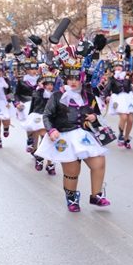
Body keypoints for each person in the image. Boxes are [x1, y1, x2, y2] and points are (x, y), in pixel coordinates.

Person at [37, 50, 110, 212]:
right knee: (72, 172)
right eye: (70, 78)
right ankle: (71, 199)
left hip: (85, 136)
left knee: (99, 162)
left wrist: (93, 117)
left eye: (77, 78)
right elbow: (47, 116)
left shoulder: (89, 95)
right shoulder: (57, 96)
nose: (73, 82)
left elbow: (97, 115)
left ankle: (96, 195)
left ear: (83, 78)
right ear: (65, 78)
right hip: (64, 136)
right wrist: (51, 131)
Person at [21, 64, 58, 174]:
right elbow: (37, 100)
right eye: (48, 84)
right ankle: (40, 158)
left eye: (52, 84)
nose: (50, 87)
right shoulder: (39, 92)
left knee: (52, 141)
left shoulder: (56, 94)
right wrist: (40, 89)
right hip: (40, 117)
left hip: (53, 119)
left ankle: (50, 164)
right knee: (45, 138)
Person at [102, 54, 133, 148]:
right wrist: (107, 97)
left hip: (128, 98)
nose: (118, 67)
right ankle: (120, 135)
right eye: (116, 66)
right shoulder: (112, 79)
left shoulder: (128, 77)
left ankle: (126, 139)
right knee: (123, 117)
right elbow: (106, 90)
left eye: (120, 66)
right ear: (113, 68)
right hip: (118, 98)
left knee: (131, 120)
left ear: (123, 67)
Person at [14, 56, 40, 153]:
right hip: (26, 104)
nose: (33, 71)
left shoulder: (42, 80)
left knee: (38, 127)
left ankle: (36, 148)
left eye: (35, 68)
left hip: (39, 105)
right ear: (27, 70)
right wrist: (17, 104)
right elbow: (16, 94)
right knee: (29, 125)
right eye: (31, 69)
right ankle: (30, 141)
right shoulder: (22, 81)